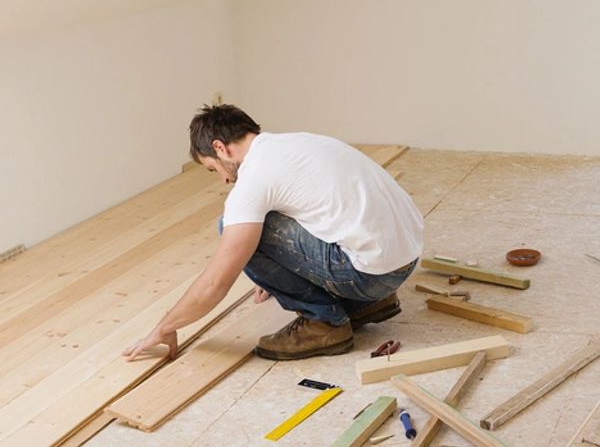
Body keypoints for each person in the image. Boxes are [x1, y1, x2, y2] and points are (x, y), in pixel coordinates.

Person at [123, 104, 423, 362]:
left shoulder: (254, 177)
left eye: (214, 169)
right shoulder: (298, 143)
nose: (225, 179)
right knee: (256, 224)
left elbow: (217, 280)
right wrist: (282, 269)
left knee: (231, 226)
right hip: (404, 261)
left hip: (371, 277)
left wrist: (164, 328)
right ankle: (368, 304)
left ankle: (325, 323)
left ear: (219, 147)